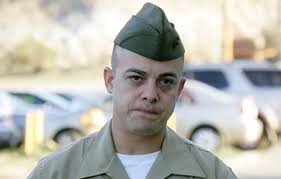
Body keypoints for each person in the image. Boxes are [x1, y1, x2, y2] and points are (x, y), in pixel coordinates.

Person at [28, 2, 237, 179]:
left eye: (165, 81)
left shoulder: (211, 173)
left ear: (180, 89)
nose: (150, 94)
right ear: (110, 81)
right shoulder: (57, 172)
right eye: (136, 78)